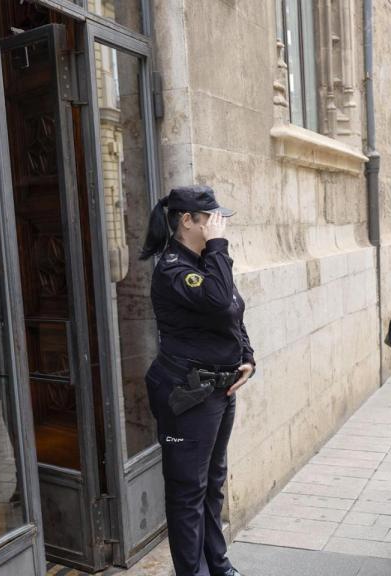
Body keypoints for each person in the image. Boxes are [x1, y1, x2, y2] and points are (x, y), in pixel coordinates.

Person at [139, 185, 254, 576]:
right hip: (188, 394)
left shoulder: (207, 261)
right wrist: (218, 247)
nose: (217, 226)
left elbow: (233, 312)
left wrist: (247, 357)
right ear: (187, 221)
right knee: (188, 491)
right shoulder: (173, 268)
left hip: (219, 390)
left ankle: (218, 566)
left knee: (212, 485)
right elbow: (220, 301)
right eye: (210, 219)